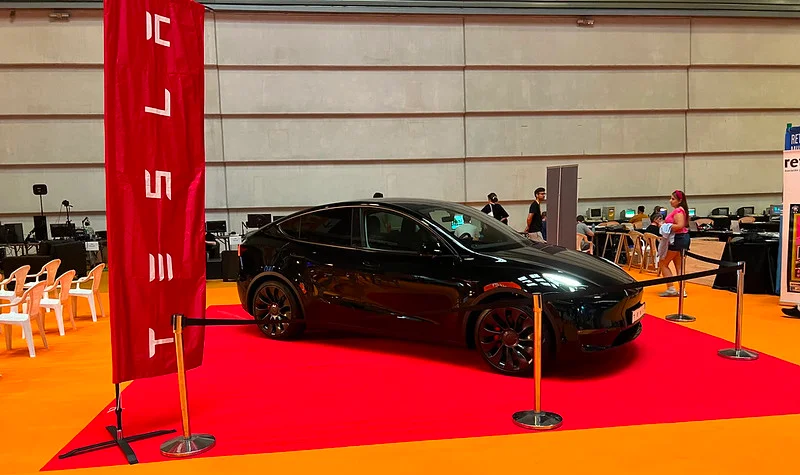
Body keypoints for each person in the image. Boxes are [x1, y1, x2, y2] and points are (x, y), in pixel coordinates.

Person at [658, 190, 691, 297]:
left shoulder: (678, 211)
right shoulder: (681, 210)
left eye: (673, 199)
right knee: (678, 265)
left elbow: (680, 225)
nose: (670, 201)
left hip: (678, 239)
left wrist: (665, 226)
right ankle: (682, 290)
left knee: (663, 263)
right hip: (681, 238)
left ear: (680, 200)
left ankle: (671, 288)